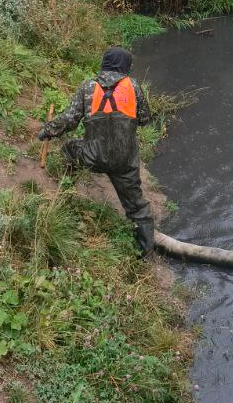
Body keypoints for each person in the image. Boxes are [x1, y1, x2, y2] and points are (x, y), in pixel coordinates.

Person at [38, 47, 154, 257]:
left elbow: (69, 120)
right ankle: (146, 252)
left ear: (104, 63)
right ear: (125, 66)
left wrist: (48, 130)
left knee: (69, 149)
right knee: (137, 207)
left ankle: (66, 192)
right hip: (125, 161)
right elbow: (145, 119)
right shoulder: (133, 86)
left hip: (92, 156)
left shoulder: (88, 86)